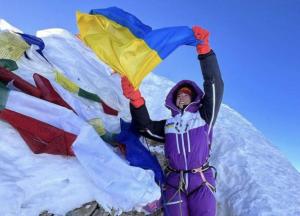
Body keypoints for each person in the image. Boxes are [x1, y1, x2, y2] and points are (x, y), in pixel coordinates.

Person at [121, 26, 224, 216]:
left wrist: (205, 52)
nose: (182, 96)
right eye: (179, 94)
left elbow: (215, 85)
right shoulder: (169, 125)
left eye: (187, 94)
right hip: (174, 183)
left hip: (201, 180)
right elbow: (145, 128)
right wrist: (136, 100)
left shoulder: (204, 117)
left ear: (194, 98)